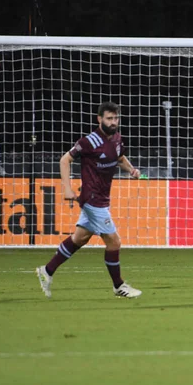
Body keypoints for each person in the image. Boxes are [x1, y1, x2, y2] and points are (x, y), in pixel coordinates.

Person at [35, 102, 142, 298]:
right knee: (114, 242)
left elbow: (120, 158)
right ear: (99, 119)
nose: (113, 122)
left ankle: (47, 271)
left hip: (102, 198)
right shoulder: (88, 142)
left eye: (116, 118)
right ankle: (119, 286)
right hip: (92, 199)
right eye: (109, 118)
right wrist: (67, 188)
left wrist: (132, 170)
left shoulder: (118, 139)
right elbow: (64, 160)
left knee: (79, 238)